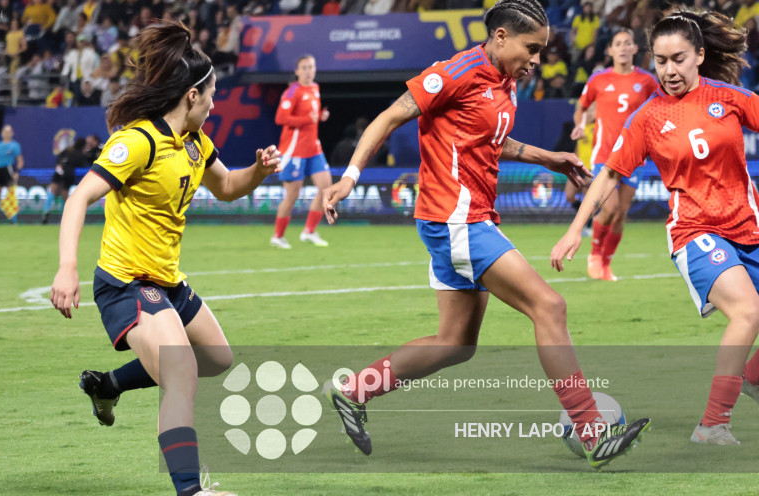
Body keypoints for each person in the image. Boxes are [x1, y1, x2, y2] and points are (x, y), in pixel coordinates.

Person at [320, 0, 651, 469]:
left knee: (456, 343)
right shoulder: (457, 71)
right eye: (530, 48)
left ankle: (355, 391)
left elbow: (491, 138)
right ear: (500, 37)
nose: (537, 59)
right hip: (456, 219)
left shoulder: (506, 83)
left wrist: (548, 157)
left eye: (541, 50)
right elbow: (390, 116)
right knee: (549, 305)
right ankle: (592, 430)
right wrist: (351, 177)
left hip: (467, 218)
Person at [49, 19, 281, 496]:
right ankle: (190, 493)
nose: (216, 103)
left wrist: (258, 171)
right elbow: (79, 198)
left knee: (217, 359)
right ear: (192, 96)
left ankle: (107, 384)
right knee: (179, 370)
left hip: (167, 281)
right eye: (213, 95)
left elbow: (227, 187)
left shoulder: (197, 143)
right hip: (126, 283)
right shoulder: (138, 142)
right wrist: (67, 268)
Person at [551, 10, 759, 446]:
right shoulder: (648, 118)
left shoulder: (732, 97)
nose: (669, 70)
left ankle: (750, 376)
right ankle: (712, 425)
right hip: (695, 230)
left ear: (700, 56)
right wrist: (575, 229)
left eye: (679, 59)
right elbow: (608, 175)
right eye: (661, 61)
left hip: (749, 225)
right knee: (748, 312)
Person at [570, 29, 658, 281]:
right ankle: (594, 255)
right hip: (604, 155)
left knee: (621, 213)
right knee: (609, 208)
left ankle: (606, 264)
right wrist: (579, 125)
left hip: (634, 156)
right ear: (609, 50)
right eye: (617, 44)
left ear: (634, 49)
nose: (622, 47)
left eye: (627, 43)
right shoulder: (598, 80)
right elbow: (582, 106)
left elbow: (658, 109)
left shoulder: (647, 81)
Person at [270, 54, 332, 249]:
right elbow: (280, 118)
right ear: (297, 71)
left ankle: (309, 231)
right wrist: (308, 119)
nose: (308, 71)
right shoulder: (292, 91)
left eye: (311, 67)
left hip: (313, 147)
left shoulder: (315, 88)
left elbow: (311, 116)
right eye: (304, 67)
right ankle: (278, 236)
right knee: (292, 195)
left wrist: (319, 117)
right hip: (293, 150)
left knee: (326, 188)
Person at [42, 137, 88, 223]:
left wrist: (59, 165)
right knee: (65, 195)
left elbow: (59, 158)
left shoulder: (68, 149)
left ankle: (46, 211)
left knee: (52, 190)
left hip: (60, 170)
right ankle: (64, 217)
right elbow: (83, 164)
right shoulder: (80, 154)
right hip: (69, 173)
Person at [0, 125, 23, 224]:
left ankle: (13, 219)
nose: (6, 133)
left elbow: (20, 161)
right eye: (5, 131)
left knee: (11, 195)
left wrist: (17, 172)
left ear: (12, 133)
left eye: (9, 131)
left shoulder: (15, 146)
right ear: (2, 133)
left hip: (8, 170)